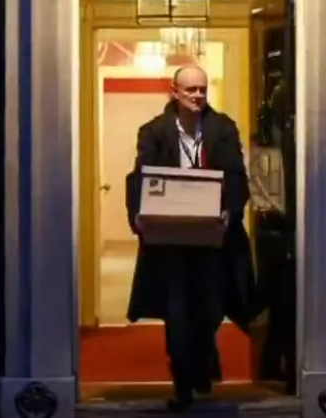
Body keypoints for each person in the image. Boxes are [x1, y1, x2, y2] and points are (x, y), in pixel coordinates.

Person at [125, 65, 256, 413]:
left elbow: (237, 177)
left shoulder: (223, 128)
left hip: (213, 240)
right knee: (177, 314)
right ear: (174, 92)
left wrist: (230, 211)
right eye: (190, 90)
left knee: (211, 309)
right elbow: (141, 176)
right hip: (171, 243)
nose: (198, 96)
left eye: (202, 89)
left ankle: (203, 357)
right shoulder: (153, 131)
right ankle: (183, 385)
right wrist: (138, 216)